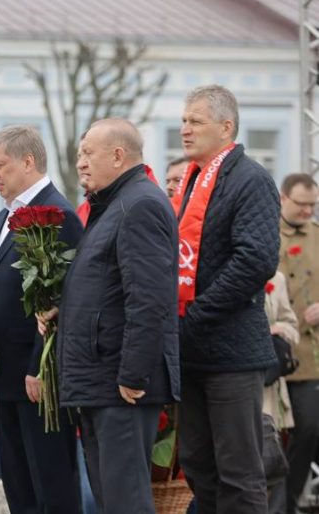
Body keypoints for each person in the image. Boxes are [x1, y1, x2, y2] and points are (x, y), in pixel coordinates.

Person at [46, 118, 179, 514]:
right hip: (100, 379)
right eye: (79, 154)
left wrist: (132, 374)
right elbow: (109, 287)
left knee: (126, 502)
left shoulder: (140, 205)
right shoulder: (112, 205)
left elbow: (149, 299)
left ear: (118, 156)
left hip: (120, 385)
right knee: (111, 500)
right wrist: (64, 309)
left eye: (88, 153)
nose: (80, 162)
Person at [171, 85, 279, 513]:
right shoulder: (192, 180)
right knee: (199, 467)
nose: (185, 129)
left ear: (226, 126)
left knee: (239, 473)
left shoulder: (250, 179)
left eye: (195, 121)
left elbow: (255, 260)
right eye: (183, 120)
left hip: (232, 353)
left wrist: (195, 315)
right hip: (192, 350)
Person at [0, 125, 82, 514]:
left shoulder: (57, 215)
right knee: (18, 483)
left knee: (51, 483)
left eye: (0, 165)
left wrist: (39, 365)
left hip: (38, 377)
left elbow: (60, 298)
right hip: (5, 374)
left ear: (27, 162)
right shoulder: (2, 219)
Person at [277, 172, 319, 513]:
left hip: (308, 356)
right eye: (302, 204)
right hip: (271, 351)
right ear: (283, 198)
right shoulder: (265, 232)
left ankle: (288, 503)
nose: (307, 211)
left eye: (312, 205)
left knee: (308, 429)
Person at [263, 270, 297, 514]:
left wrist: (278, 328)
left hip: (270, 387)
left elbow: (292, 326)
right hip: (232, 381)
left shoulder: (277, 278)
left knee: (272, 460)